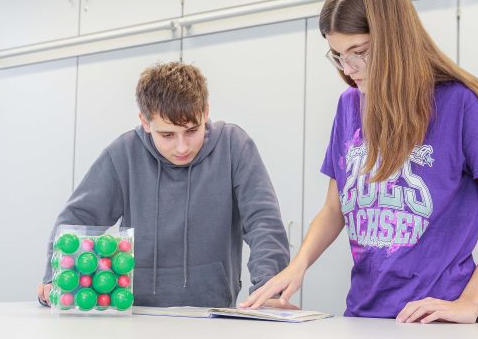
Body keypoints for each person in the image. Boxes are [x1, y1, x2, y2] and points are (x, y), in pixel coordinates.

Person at [241, 0, 478, 324]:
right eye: (338, 55)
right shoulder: (349, 106)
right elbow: (335, 209)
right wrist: (297, 267)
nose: (349, 68)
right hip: (364, 316)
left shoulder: (460, 103)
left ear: (394, 40)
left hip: (435, 318)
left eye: (360, 52)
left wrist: (470, 301)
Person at [38, 61, 292, 309]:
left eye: (192, 130)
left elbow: (263, 223)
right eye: (167, 135)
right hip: (137, 314)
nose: (182, 147)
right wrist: (55, 278)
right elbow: (79, 218)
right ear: (145, 122)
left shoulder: (234, 146)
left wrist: (268, 290)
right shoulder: (123, 154)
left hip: (212, 316)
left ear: (205, 112)